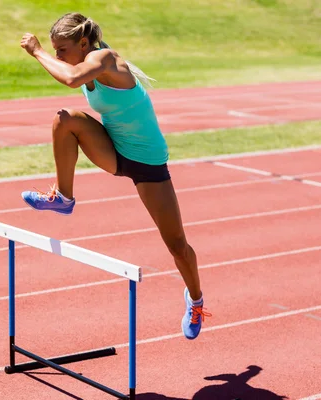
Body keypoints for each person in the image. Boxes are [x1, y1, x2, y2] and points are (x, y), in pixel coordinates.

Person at [19, 12, 210, 339]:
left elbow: (71, 78)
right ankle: (64, 198)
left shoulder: (105, 59)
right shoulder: (82, 64)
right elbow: (72, 75)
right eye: (55, 51)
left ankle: (195, 300)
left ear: (82, 43)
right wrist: (48, 54)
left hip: (148, 164)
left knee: (177, 245)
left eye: (61, 50)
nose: (58, 56)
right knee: (64, 119)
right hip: (114, 151)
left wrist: (38, 52)